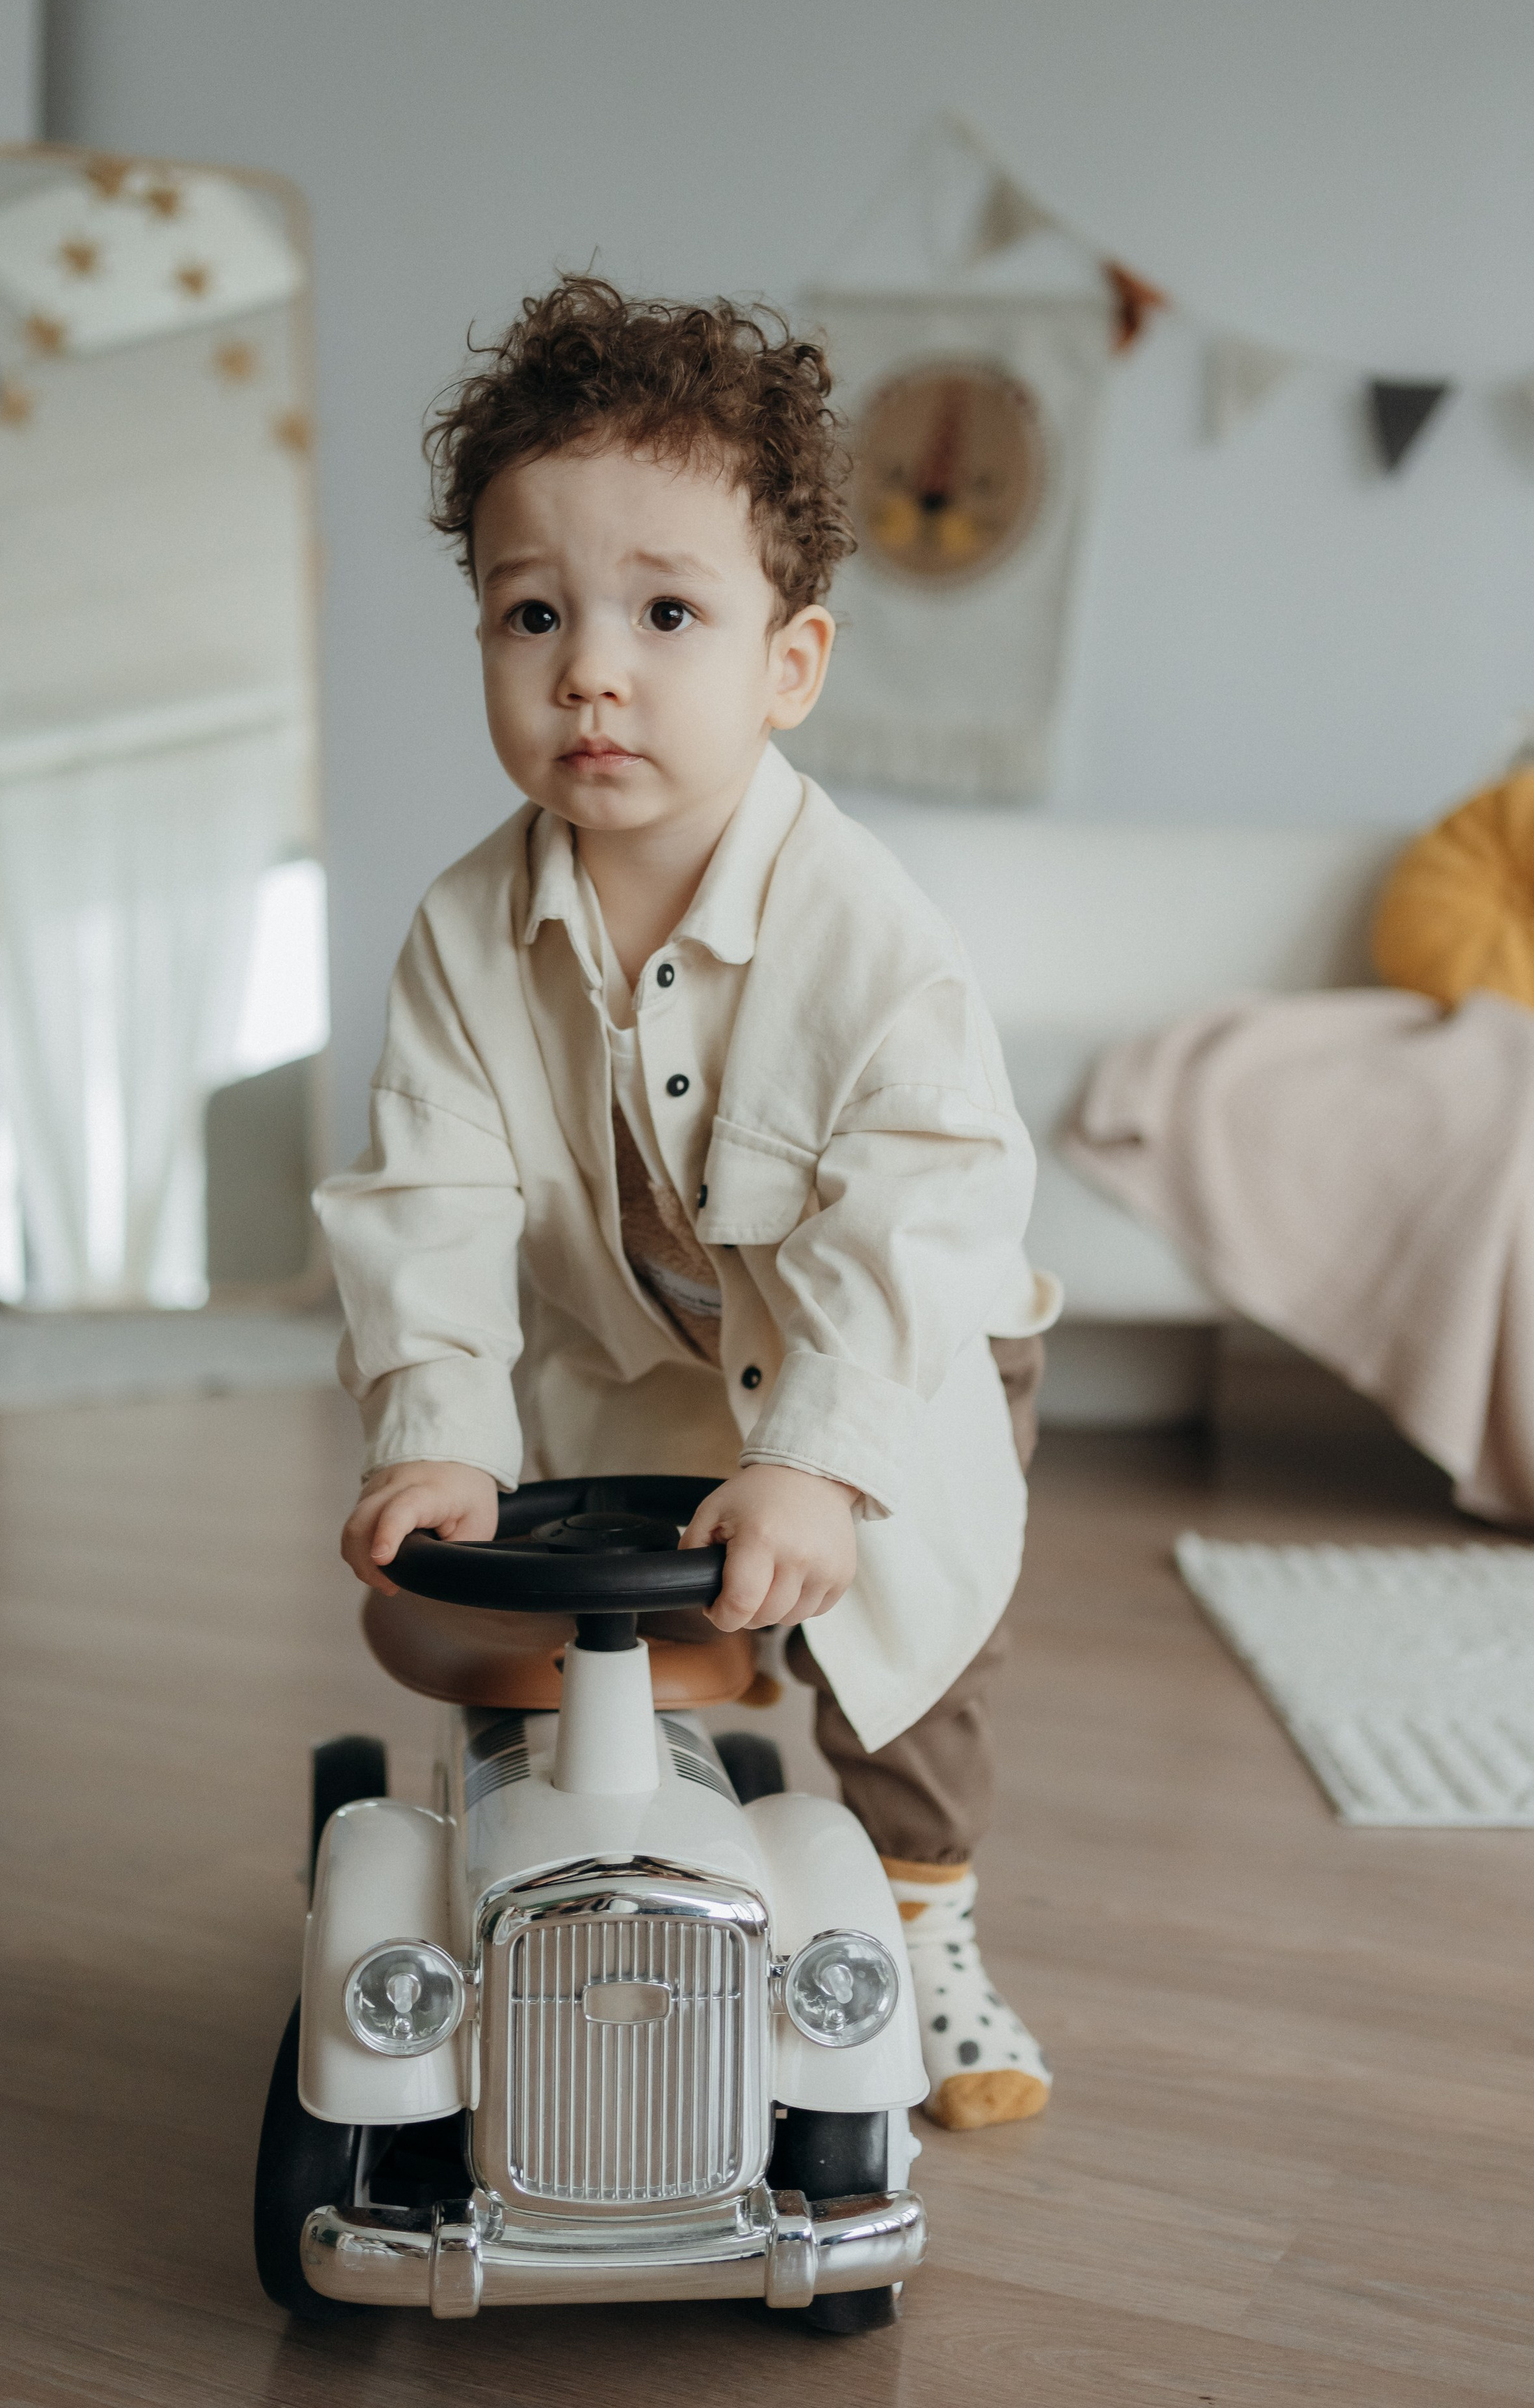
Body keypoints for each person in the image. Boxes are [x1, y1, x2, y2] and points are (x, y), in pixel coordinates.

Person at [315, 276, 1060, 2131]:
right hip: (627, 1357)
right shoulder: (456, 934)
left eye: (666, 614)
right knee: (556, 1620)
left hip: (892, 1354)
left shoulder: (871, 933)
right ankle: (563, 1880)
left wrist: (827, 1455)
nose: (592, 669)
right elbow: (433, 1194)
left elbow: (916, 1215)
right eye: (534, 613)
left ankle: (920, 1919)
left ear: (787, 662)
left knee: (908, 1659)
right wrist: (436, 1429)